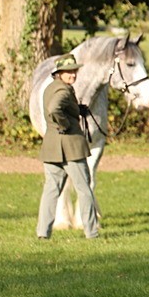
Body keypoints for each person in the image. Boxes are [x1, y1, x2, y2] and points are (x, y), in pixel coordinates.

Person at [37, 54, 100, 239]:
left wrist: (77, 110)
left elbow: (56, 107)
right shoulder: (64, 91)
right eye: (69, 71)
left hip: (51, 146)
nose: (73, 74)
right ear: (59, 73)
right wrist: (64, 124)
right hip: (70, 146)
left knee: (51, 190)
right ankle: (92, 232)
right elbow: (54, 108)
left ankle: (43, 232)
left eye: (74, 71)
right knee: (84, 189)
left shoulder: (50, 88)